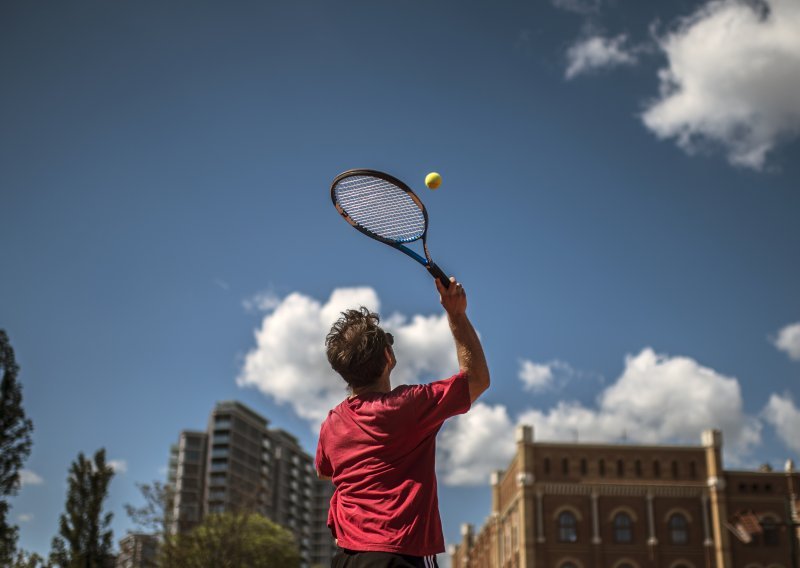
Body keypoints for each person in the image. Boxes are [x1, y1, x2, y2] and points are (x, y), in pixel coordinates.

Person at [316, 276, 490, 568]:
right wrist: (456, 314)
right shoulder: (407, 406)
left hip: (345, 560)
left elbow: (325, 471)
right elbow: (477, 380)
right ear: (388, 356)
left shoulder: (332, 423)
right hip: (395, 557)